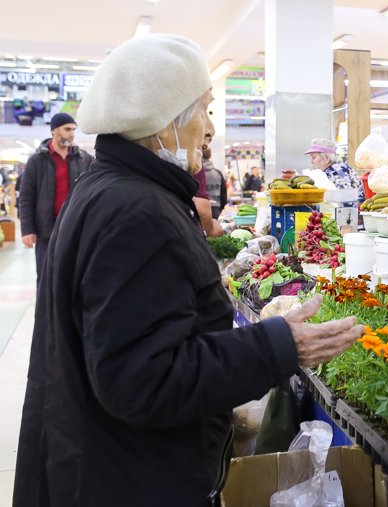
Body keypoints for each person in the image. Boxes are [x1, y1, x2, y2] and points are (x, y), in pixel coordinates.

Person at [13, 34, 363, 507]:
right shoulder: (135, 213)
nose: (210, 129)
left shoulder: (109, 188)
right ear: (162, 122)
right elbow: (142, 379)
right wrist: (279, 345)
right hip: (131, 480)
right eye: (204, 109)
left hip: (97, 461)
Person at [18, 112, 94, 278]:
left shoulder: (84, 159)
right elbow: (26, 197)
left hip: (75, 229)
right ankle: (47, 306)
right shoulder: (36, 161)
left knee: (73, 279)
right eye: (67, 129)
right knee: (47, 279)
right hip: (46, 231)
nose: (72, 133)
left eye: (74, 129)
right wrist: (27, 230)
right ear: (54, 131)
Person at [305, 138, 364, 206]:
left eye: (314, 157)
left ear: (326, 158)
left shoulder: (330, 174)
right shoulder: (345, 168)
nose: (311, 162)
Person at [203, 146, 228, 218]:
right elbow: (223, 194)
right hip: (215, 209)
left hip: (199, 209)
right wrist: (221, 208)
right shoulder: (218, 173)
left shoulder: (196, 173)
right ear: (210, 155)